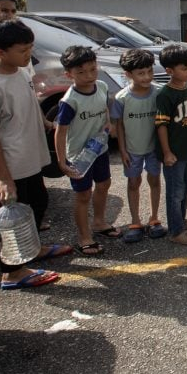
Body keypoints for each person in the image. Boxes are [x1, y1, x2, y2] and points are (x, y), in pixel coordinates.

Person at [0, 20, 71, 289]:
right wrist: (4, 179)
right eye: (22, 50)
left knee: (37, 204)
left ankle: (34, 249)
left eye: (30, 47)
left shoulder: (20, 72)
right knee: (15, 217)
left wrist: (47, 123)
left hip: (29, 157)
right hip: (9, 164)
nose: (28, 54)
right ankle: (12, 272)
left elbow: (31, 103)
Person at [55, 45, 118, 255]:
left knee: (104, 184)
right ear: (69, 74)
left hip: (99, 150)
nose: (88, 75)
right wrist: (62, 161)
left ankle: (99, 222)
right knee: (83, 194)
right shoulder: (69, 101)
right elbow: (60, 131)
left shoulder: (101, 86)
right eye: (80, 72)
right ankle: (84, 237)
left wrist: (108, 123)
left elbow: (104, 107)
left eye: (92, 69)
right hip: (79, 157)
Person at [111, 48, 167, 243]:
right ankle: (135, 221)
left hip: (154, 149)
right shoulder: (121, 98)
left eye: (150, 71)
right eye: (141, 73)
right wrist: (123, 150)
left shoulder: (159, 92)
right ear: (128, 74)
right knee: (134, 183)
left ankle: (154, 218)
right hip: (132, 150)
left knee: (155, 180)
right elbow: (118, 125)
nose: (147, 77)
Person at [155, 44, 187, 244]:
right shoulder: (165, 94)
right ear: (169, 71)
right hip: (174, 152)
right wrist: (166, 152)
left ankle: (181, 220)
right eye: (184, 68)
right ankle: (176, 231)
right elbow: (161, 126)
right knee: (175, 191)